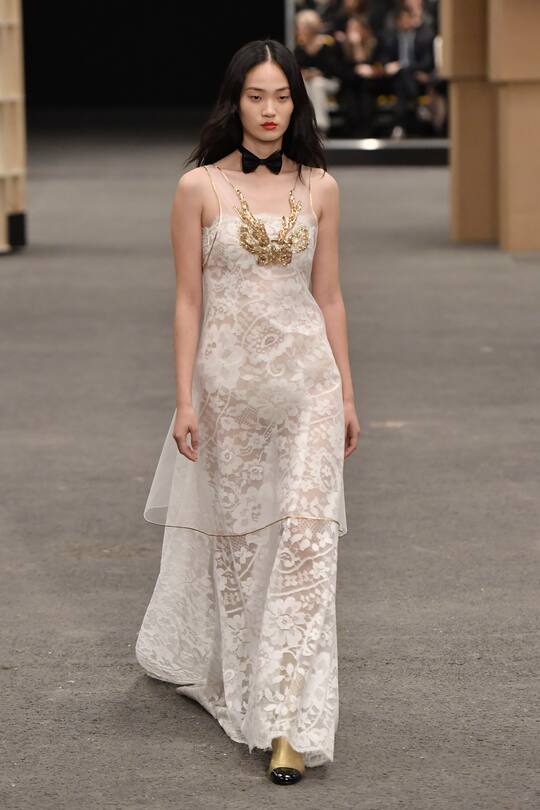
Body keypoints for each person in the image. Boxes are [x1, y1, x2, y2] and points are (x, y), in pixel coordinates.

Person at [135, 38, 361, 785]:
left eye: (282, 97)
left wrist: (349, 394)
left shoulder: (321, 187)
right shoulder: (198, 188)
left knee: (305, 547)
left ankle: (289, 724)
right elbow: (187, 300)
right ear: (234, 102)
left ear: (298, 104)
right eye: (256, 96)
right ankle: (245, 685)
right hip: (228, 395)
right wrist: (182, 399)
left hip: (308, 389)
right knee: (242, 552)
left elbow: (327, 296)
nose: (269, 112)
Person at [294, 9, 344, 136]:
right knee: (303, 84)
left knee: (317, 84)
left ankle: (321, 127)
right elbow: (297, 68)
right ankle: (305, 126)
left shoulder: (327, 43)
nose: (298, 30)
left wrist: (319, 73)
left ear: (310, 28)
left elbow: (335, 69)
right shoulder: (300, 47)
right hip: (309, 81)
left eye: (301, 27)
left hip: (330, 82)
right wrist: (305, 72)